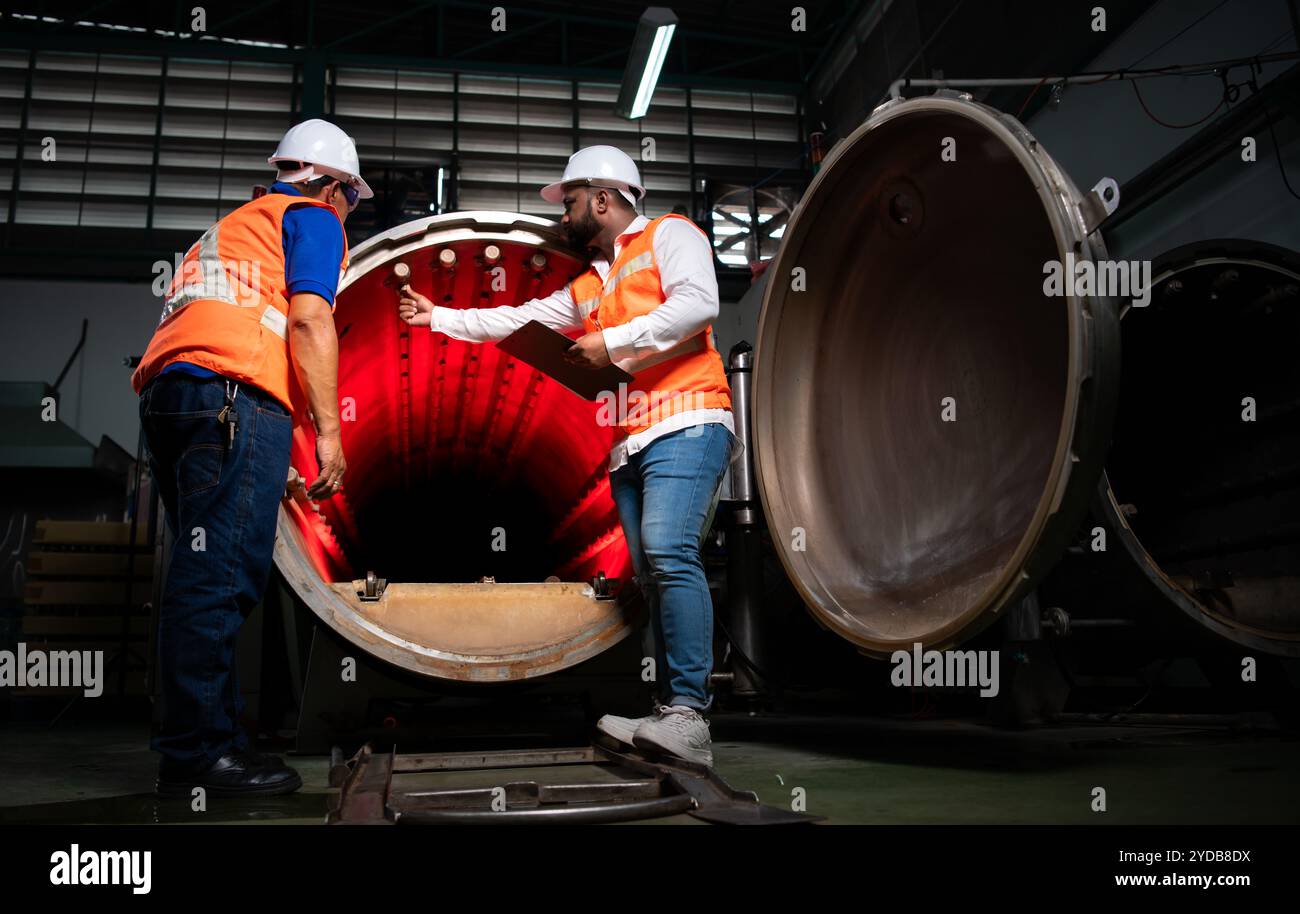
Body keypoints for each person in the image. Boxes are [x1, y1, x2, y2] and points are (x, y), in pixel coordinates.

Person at [398, 145, 734, 766]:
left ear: (603, 199)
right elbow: (518, 320)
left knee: (668, 551)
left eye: (571, 201)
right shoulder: (584, 286)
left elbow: (698, 305)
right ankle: (668, 713)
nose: (564, 214)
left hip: (688, 418)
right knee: (651, 574)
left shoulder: (671, 234)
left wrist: (614, 342)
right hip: (629, 440)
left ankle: (691, 714)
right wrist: (437, 316)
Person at [132, 119, 370, 796]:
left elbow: (227, 321)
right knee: (218, 578)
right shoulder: (313, 217)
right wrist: (329, 433)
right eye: (351, 198)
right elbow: (306, 319)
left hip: (173, 396)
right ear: (332, 185)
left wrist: (274, 460)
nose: (348, 212)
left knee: (202, 567)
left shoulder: (236, 227)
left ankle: (217, 739)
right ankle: (196, 757)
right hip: (235, 392)